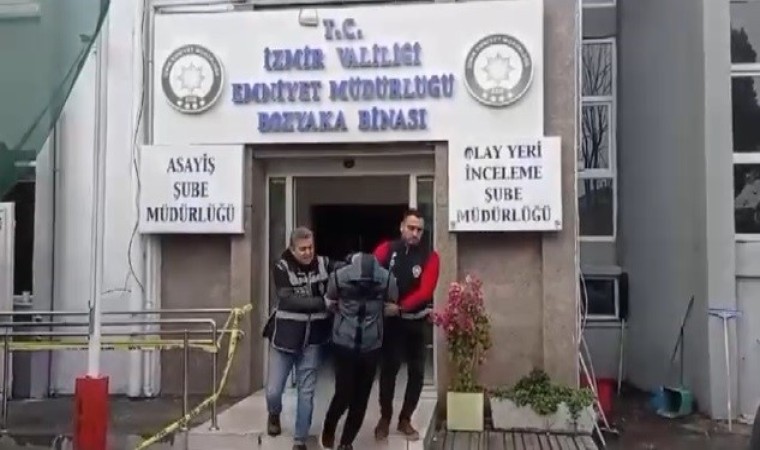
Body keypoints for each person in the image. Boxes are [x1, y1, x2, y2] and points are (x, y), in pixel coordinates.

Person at [373, 209, 440, 441]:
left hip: (416, 323)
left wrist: (401, 307)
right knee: (388, 371)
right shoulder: (386, 249)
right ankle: (385, 418)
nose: (415, 233)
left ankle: (405, 419)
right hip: (391, 324)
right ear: (402, 227)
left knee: (417, 373)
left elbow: (426, 291)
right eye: (411, 228)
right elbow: (370, 275)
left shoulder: (430, 257)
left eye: (419, 229)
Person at [320, 252, 399, 450]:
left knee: (348, 394)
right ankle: (341, 437)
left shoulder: (339, 277)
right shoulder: (387, 278)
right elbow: (392, 301)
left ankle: (337, 436)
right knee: (356, 396)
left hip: (350, 343)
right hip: (363, 345)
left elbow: (330, 300)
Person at [263, 227, 333, 450]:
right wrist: (324, 303)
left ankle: (300, 440)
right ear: (292, 249)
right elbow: (288, 300)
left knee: (307, 394)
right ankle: (274, 413)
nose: (308, 252)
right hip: (284, 339)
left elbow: (343, 273)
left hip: (313, 340)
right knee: (273, 391)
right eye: (302, 249)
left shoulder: (324, 263)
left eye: (310, 247)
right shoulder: (281, 266)